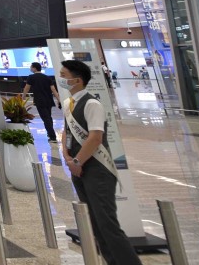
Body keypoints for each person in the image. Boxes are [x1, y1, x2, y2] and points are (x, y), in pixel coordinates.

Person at [59, 60, 142, 265]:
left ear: (77, 80)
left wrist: (77, 160)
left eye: (63, 75)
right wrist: (67, 155)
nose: (60, 79)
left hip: (97, 169)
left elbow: (95, 138)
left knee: (107, 223)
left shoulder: (92, 104)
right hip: (78, 168)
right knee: (95, 224)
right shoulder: (68, 103)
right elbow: (66, 132)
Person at [23, 62, 60, 144]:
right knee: (48, 117)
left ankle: (52, 137)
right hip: (49, 100)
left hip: (40, 101)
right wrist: (58, 99)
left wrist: (23, 96)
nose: (30, 68)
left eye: (31, 67)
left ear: (34, 68)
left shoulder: (31, 77)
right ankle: (50, 134)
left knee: (46, 119)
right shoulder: (47, 77)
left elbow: (26, 88)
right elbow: (53, 90)